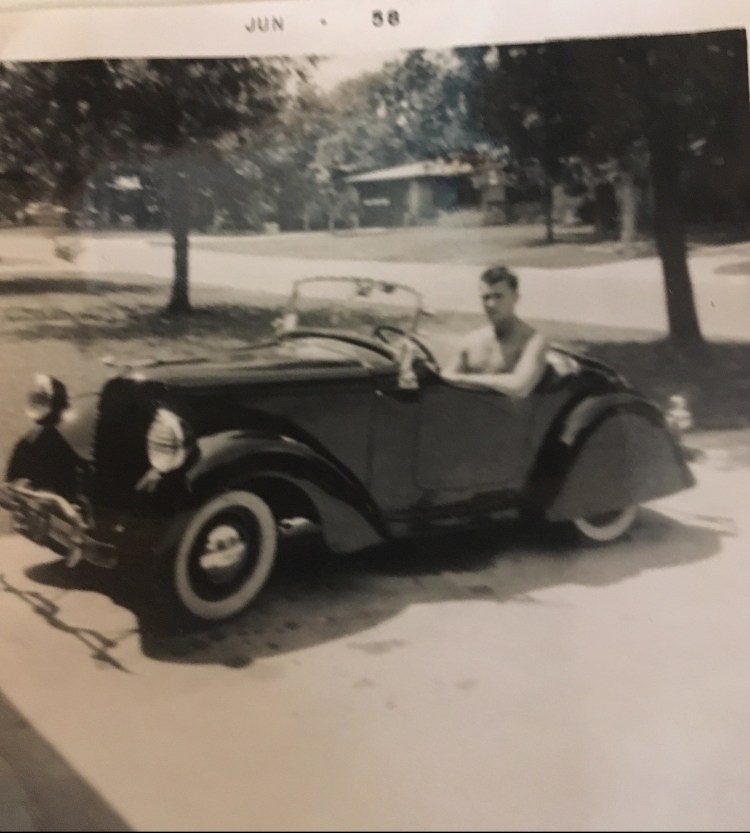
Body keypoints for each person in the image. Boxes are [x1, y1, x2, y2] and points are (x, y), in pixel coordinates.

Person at [442, 265, 549, 397]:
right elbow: (445, 379)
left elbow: (519, 387)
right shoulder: (472, 340)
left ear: (516, 297)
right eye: (486, 297)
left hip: (510, 416)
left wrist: (461, 379)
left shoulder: (533, 340)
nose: (491, 304)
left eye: (498, 296)